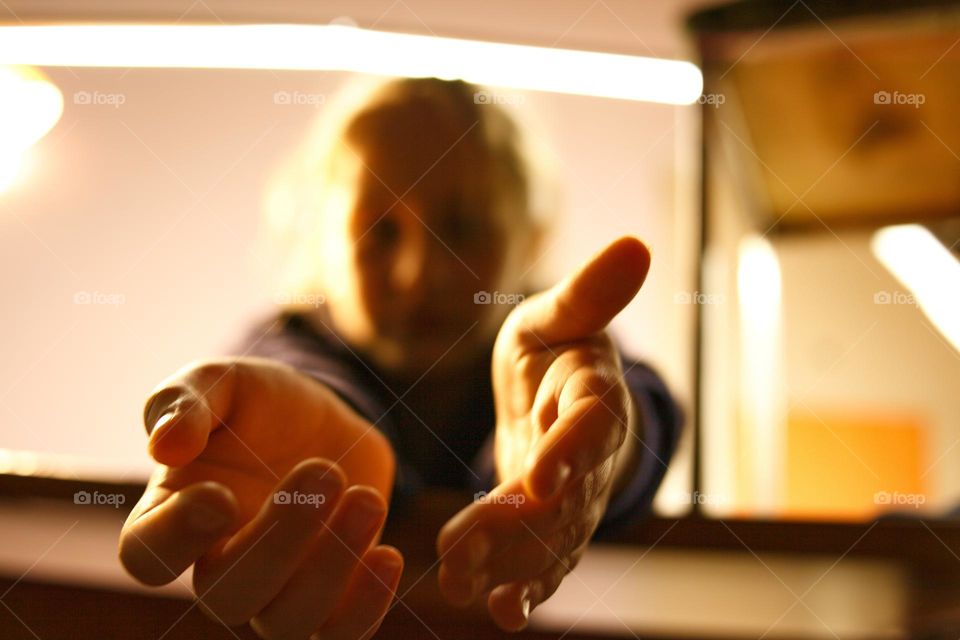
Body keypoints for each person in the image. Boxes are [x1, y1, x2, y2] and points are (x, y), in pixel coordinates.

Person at [118, 76, 683, 640]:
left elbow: (640, 403)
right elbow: (298, 380)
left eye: (463, 227)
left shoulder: (549, 346)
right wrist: (324, 455)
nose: (419, 275)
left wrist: (596, 444)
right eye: (379, 232)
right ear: (321, 243)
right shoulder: (289, 344)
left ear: (533, 238)